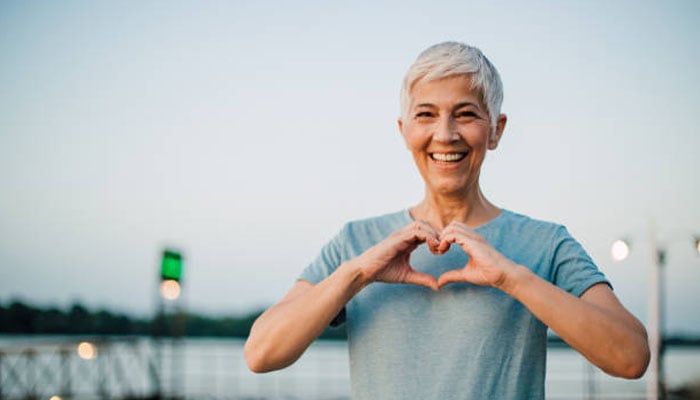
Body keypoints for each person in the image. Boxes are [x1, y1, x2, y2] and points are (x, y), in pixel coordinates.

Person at [244, 41, 649, 399]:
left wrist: (511, 278)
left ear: (496, 130)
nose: (445, 134)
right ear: (404, 131)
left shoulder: (547, 244)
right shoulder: (356, 242)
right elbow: (261, 353)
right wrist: (357, 274)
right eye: (426, 114)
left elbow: (630, 357)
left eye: (466, 114)